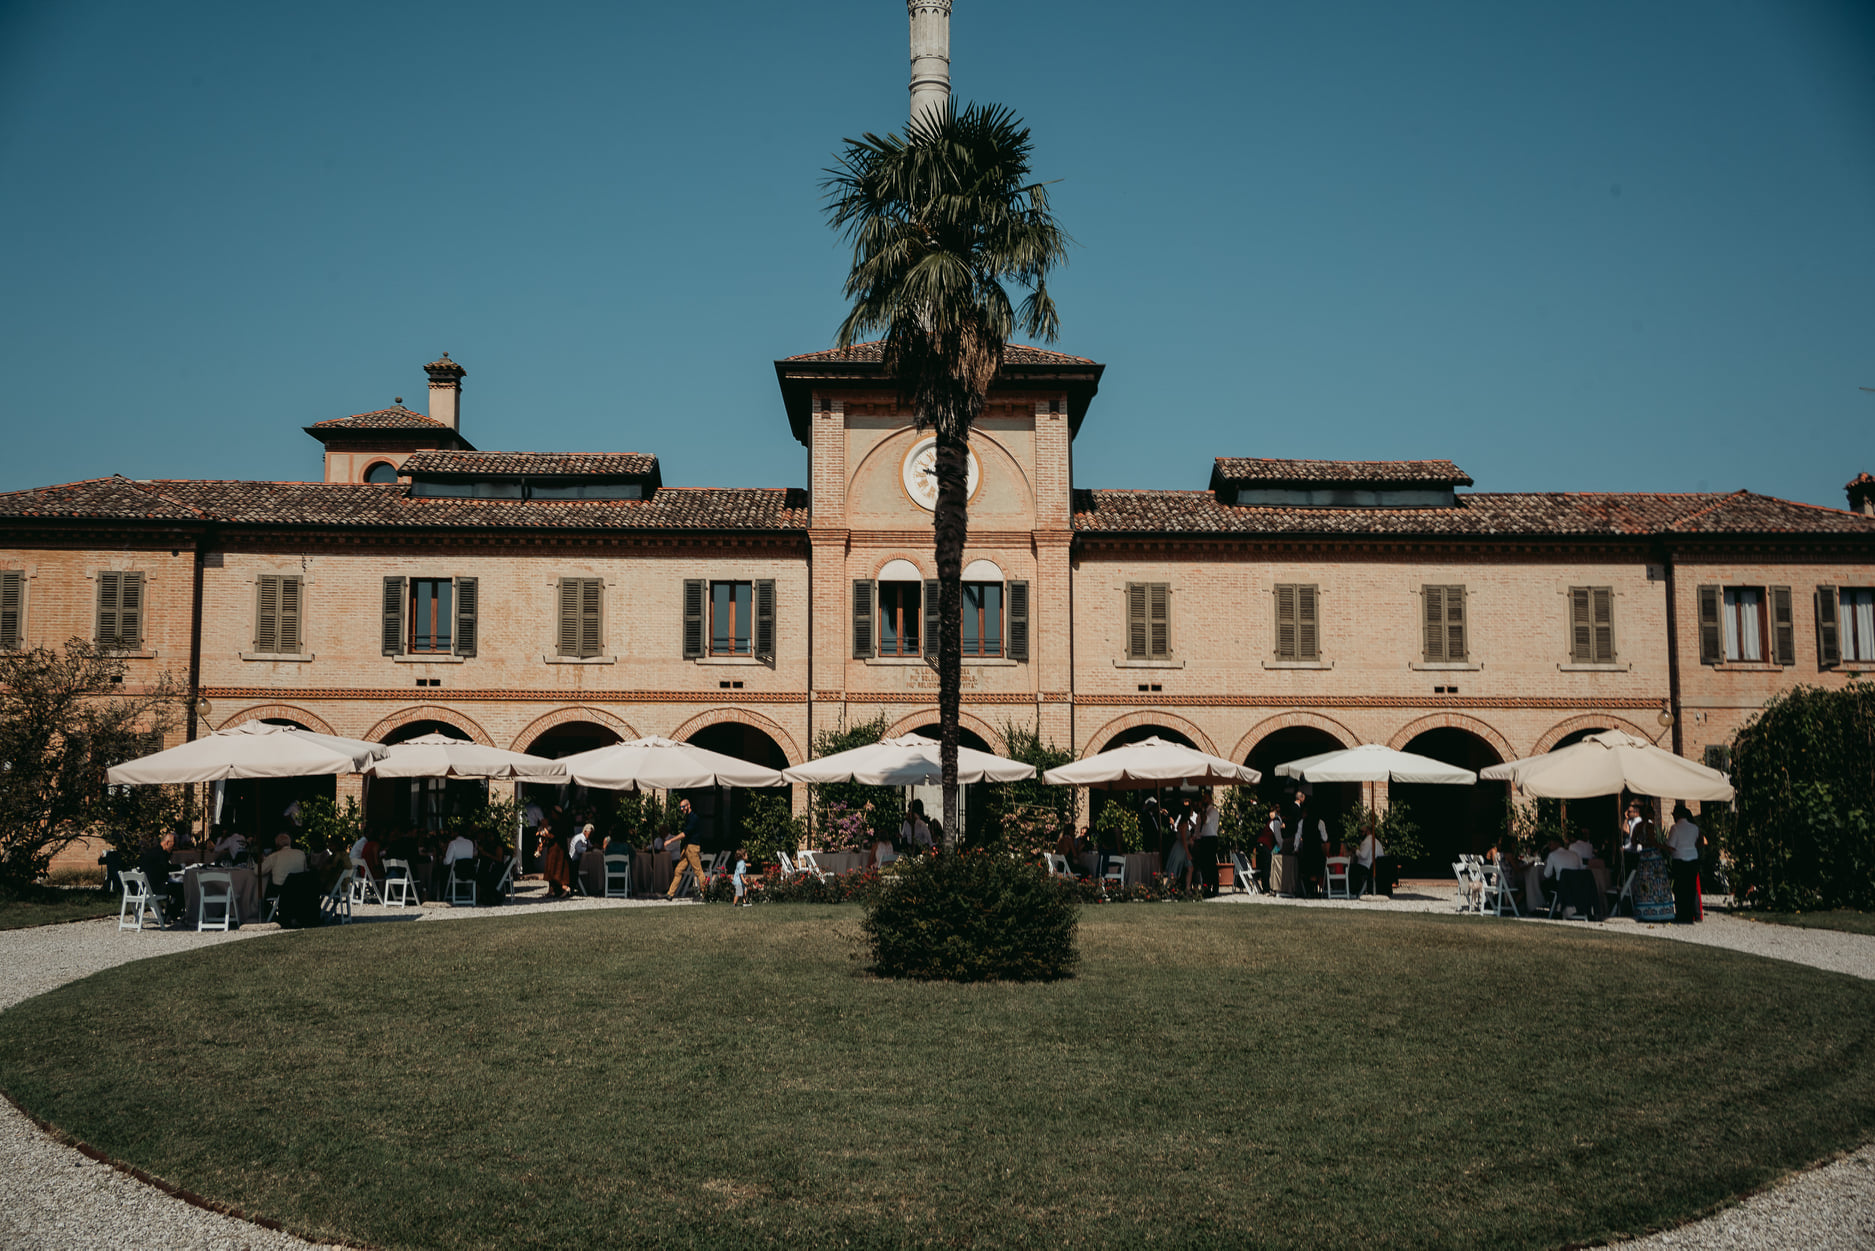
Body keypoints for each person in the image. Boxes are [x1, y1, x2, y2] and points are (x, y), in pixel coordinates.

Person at [1665, 803, 1704, 923]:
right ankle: (1692, 914)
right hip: (1693, 859)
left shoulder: (1675, 828)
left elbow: (1671, 846)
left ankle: (1682, 914)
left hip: (1680, 859)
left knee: (1680, 888)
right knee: (1691, 888)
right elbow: (1700, 841)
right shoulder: (1694, 828)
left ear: (1677, 815)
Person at [1632, 813, 1674, 922]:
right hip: (1653, 857)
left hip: (1643, 856)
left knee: (1644, 882)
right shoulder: (1649, 826)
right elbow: (1653, 841)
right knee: (1656, 882)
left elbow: (1633, 841)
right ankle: (1660, 910)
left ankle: (1644, 909)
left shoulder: (1637, 826)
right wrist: (1665, 847)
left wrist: (1642, 843)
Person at [664, 797, 707, 899]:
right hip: (687, 848)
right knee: (678, 870)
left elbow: (684, 834)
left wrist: (670, 840)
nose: (682, 809)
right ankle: (670, 894)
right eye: (680, 807)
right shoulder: (688, 818)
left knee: (698, 871)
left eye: (683, 807)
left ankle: (706, 894)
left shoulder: (693, 818)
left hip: (692, 847)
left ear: (689, 806)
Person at [138, 833, 183, 922]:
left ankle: (170, 914)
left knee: (176, 888)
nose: (173, 848)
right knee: (182, 889)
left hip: (146, 887)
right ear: (167, 843)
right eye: (173, 845)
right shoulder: (160, 854)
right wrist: (182, 866)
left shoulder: (153, 852)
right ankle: (171, 914)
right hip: (155, 888)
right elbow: (166, 867)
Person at [1194, 792, 1221, 897]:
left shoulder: (1212, 811)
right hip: (1203, 839)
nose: (1203, 800)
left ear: (1210, 799)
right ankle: (1206, 888)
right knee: (1204, 866)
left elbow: (1205, 821)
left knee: (1211, 865)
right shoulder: (1203, 812)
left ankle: (1215, 888)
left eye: (1205, 798)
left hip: (1211, 839)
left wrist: (1201, 809)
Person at [537, 819, 571, 900]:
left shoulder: (557, 825)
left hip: (557, 851)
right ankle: (551, 890)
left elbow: (554, 835)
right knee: (550, 870)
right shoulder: (552, 825)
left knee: (555, 871)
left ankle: (565, 888)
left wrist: (546, 834)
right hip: (553, 850)